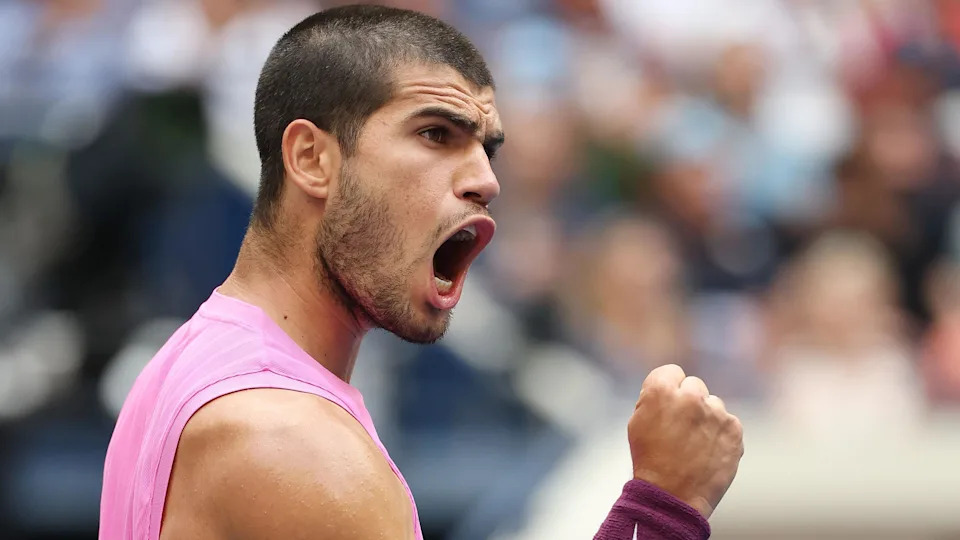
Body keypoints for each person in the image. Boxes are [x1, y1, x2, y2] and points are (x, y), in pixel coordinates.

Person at [98, 6, 743, 540]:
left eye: (485, 149)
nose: (487, 180)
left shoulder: (199, 364)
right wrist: (663, 507)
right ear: (311, 158)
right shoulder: (289, 440)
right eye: (436, 134)